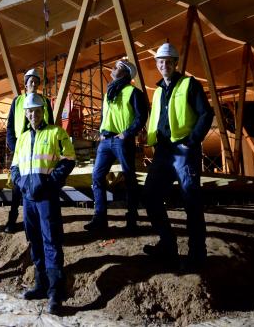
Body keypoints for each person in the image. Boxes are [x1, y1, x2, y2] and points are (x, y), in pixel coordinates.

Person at [142, 42, 214, 272]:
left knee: (191, 201)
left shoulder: (189, 85)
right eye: (160, 62)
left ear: (175, 63)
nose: (164, 65)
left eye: (168, 61)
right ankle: (168, 244)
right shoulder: (160, 90)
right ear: (157, 64)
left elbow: (206, 114)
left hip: (183, 152)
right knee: (150, 196)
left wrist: (192, 140)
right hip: (163, 153)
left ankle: (197, 254)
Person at [11, 93, 75, 315]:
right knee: (35, 240)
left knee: (51, 240)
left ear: (43, 112)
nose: (33, 114)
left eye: (37, 110)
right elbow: (14, 168)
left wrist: (51, 183)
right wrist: (22, 185)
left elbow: (69, 159)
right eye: (30, 111)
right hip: (28, 198)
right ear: (26, 113)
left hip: (47, 197)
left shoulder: (56, 133)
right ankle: (41, 284)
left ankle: (56, 292)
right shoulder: (21, 138)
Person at [84, 58, 148, 232]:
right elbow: (106, 116)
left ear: (126, 73)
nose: (112, 68)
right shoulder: (108, 93)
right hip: (106, 141)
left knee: (129, 178)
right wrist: (101, 132)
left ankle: (132, 218)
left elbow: (141, 116)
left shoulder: (133, 93)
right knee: (97, 176)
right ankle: (100, 218)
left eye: (117, 67)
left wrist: (127, 133)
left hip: (122, 141)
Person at [4, 68, 54, 234]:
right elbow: (10, 126)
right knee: (17, 184)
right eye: (30, 81)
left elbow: (52, 125)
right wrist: (15, 147)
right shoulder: (17, 102)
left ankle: (36, 220)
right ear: (25, 85)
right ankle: (12, 219)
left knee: (39, 182)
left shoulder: (45, 102)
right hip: (22, 147)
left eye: (36, 81)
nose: (33, 84)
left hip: (39, 147)